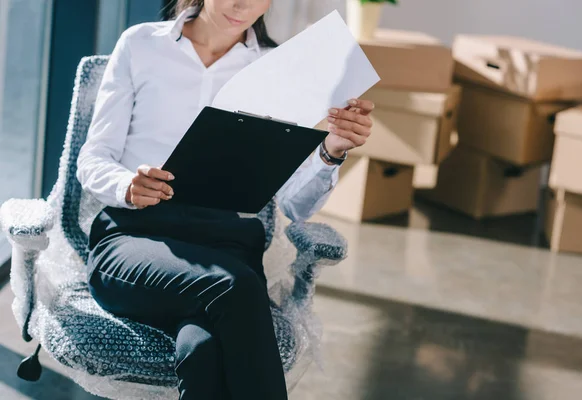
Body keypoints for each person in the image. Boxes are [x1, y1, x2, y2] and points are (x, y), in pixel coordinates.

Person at [76, 0, 374, 399]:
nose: (242, 4)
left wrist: (331, 150)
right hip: (132, 238)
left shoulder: (280, 69)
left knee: (201, 351)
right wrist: (127, 185)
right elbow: (94, 158)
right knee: (233, 285)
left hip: (223, 243)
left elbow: (294, 206)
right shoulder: (141, 45)